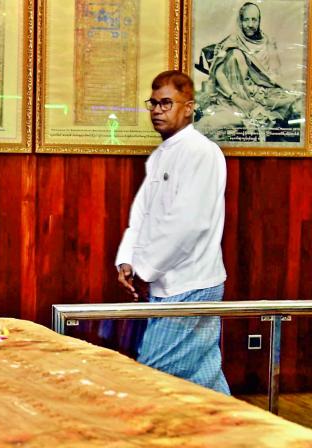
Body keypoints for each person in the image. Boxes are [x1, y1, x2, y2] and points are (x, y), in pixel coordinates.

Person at [115, 70, 230, 394]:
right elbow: (143, 213)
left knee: (151, 382)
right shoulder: (160, 155)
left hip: (190, 284)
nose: (156, 110)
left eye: (166, 103)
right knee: (203, 380)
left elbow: (188, 223)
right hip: (170, 283)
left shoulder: (201, 152)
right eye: (153, 103)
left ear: (189, 107)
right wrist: (127, 259)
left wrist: (145, 268)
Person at [195, 2, 301, 139]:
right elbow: (219, 73)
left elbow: (274, 72)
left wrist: (270, 86)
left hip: (261, 92)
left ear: (259, 21)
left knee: (292, 102)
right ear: (240, 21)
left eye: (254, 19)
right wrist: (235, 97)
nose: (250, 24)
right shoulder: (231, 42)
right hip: (234, 96)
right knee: (236, 55)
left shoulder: (266, 41)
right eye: (246, 20)